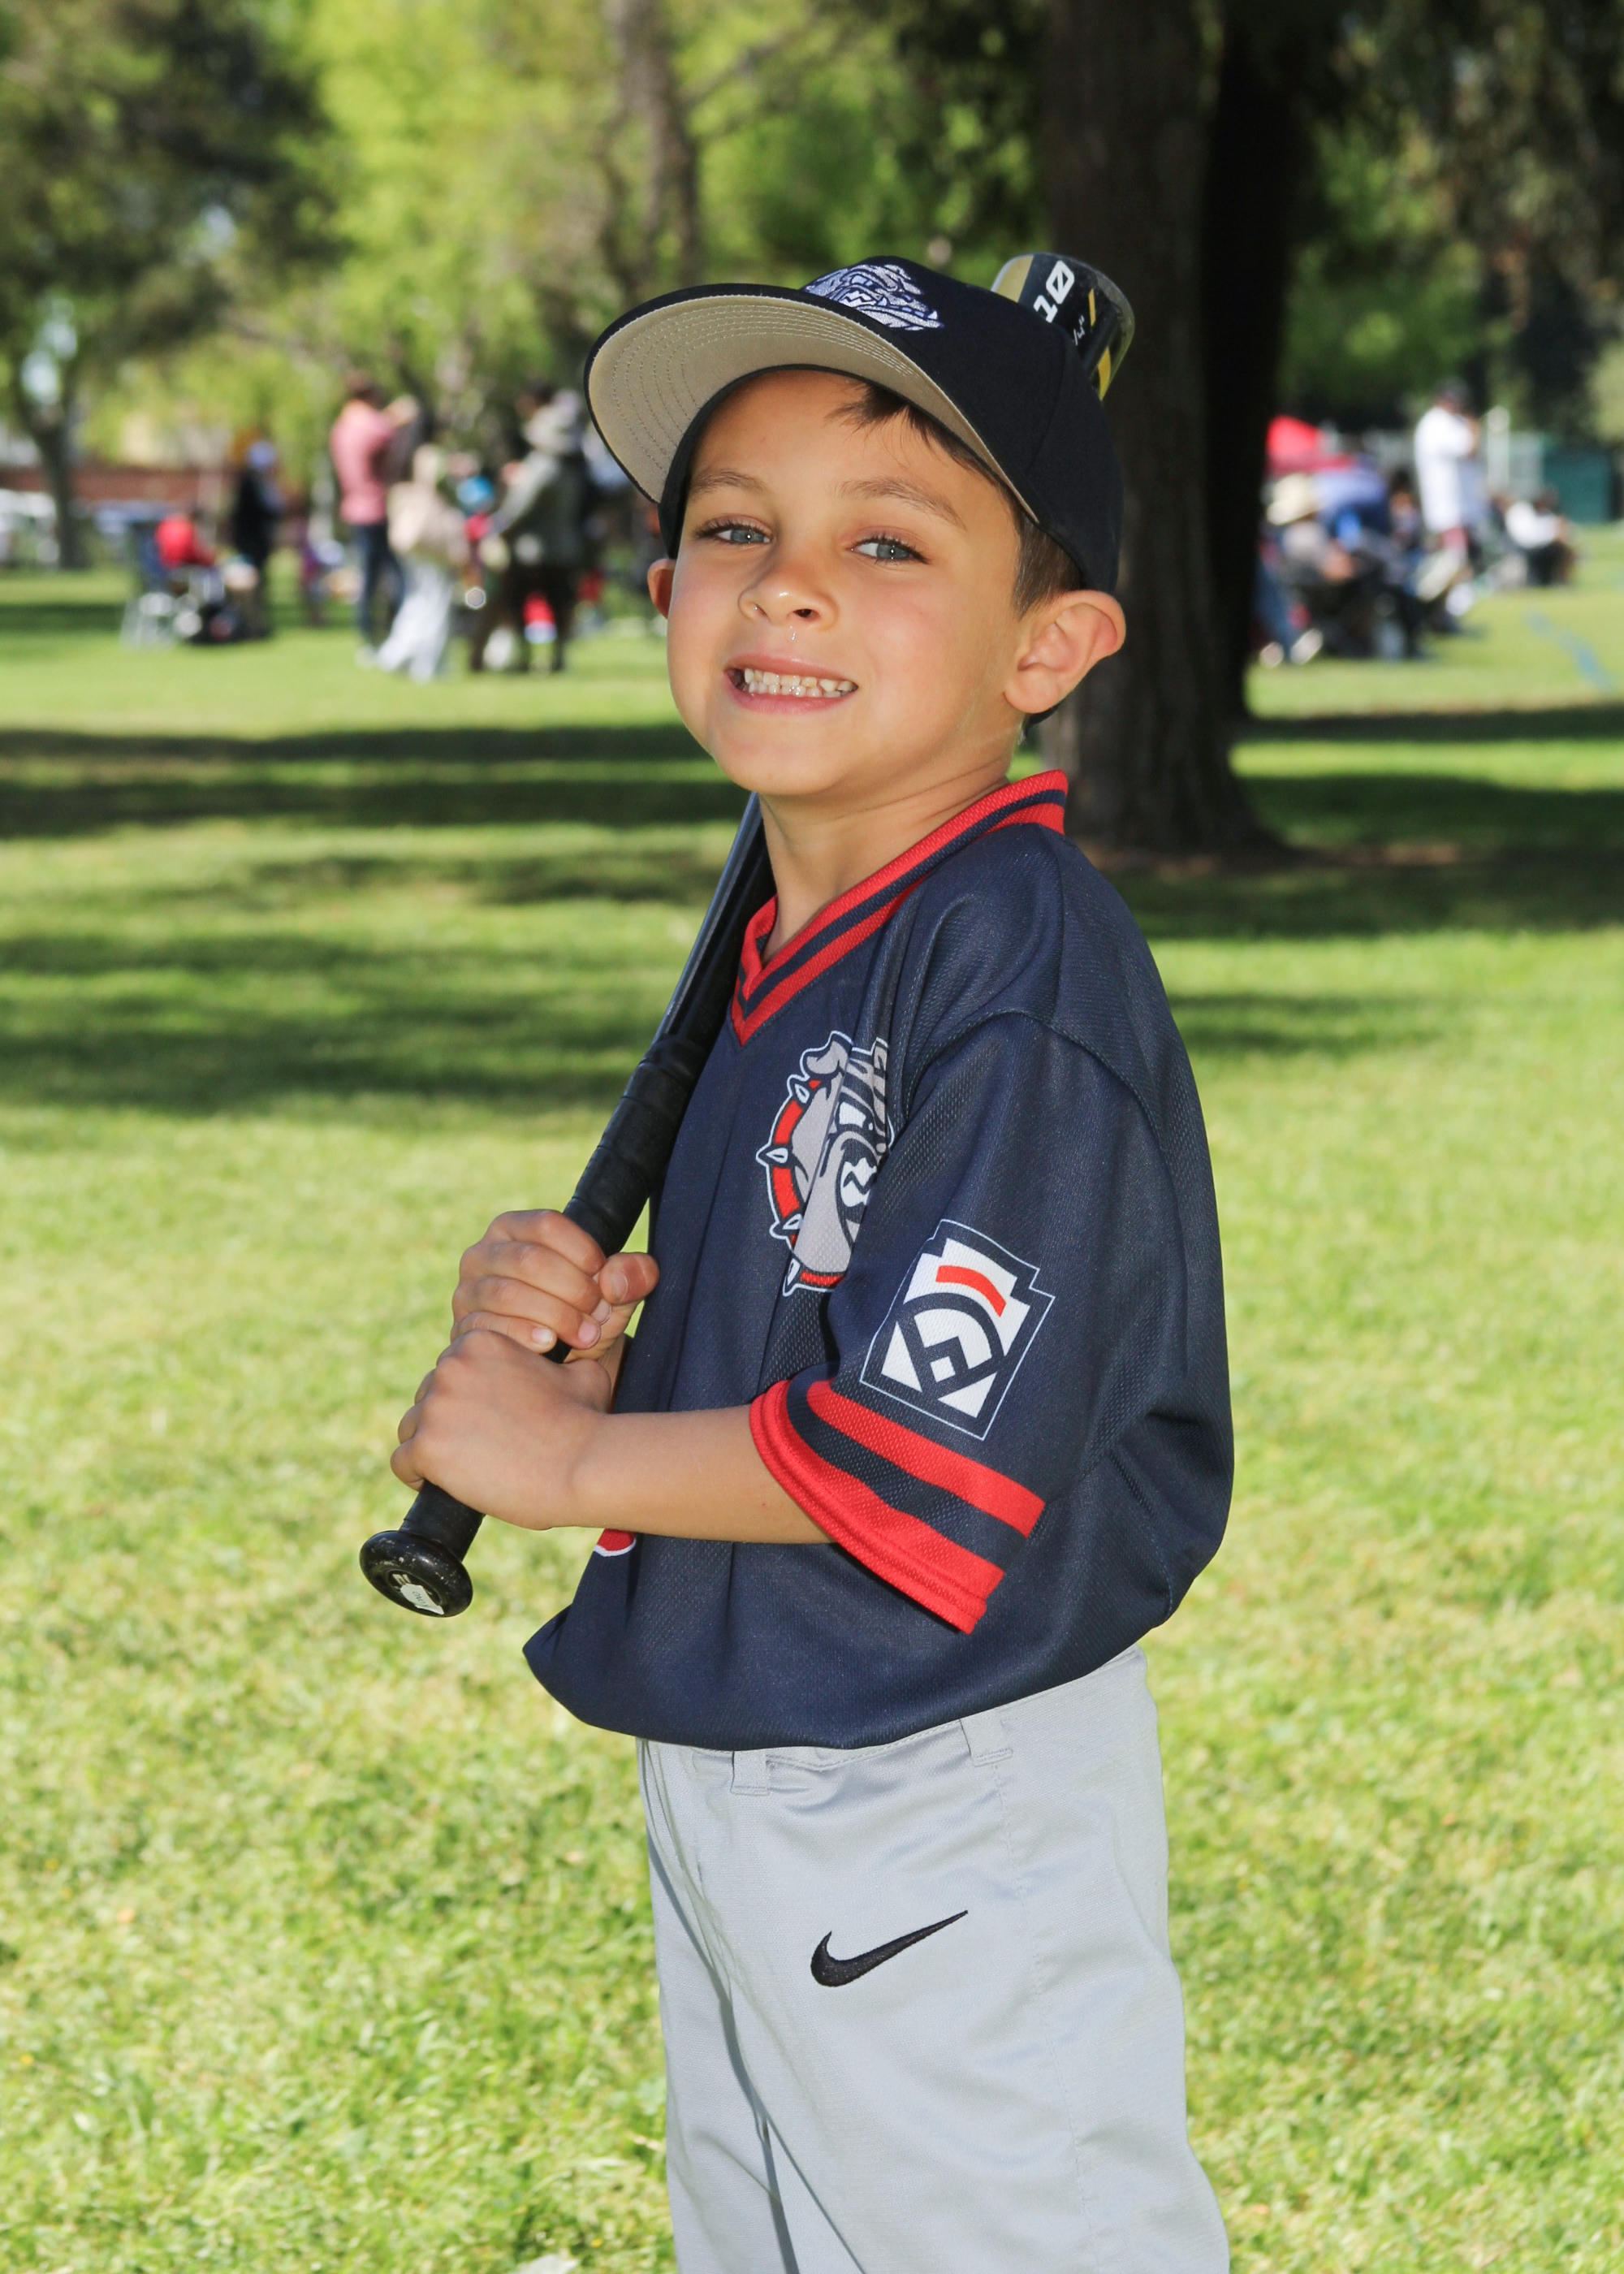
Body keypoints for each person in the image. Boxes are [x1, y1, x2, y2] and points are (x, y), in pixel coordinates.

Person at [391, 257, 1232, 2272]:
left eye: (886, 544)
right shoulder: (820, 941)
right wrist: (625, 1368)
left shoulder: (1015, 965)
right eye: (731, 531)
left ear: (1050, 646)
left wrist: (561, 1465)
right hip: (766, 1742)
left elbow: (919, 1451)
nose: (784, 588)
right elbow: (818, 1314)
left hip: (932, 1776)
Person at [469, 387, 590, 673]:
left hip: (532, 551)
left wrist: (497, 528)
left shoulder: (541, 467)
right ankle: (557, 658)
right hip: (565, 549)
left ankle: (525, 658)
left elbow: (519, 509)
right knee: (559, 605)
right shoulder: (574, 471)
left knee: (520, 603)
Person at [329, 374, 410, 655]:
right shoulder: (368, 423)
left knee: (369, 578)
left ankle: (369, 638)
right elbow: (385, 435)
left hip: (355, 509)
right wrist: (397, 418)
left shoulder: (342, 425)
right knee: (395, 576)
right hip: (375, 508)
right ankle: (395, 633)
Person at [1413, 381, 1484, 552]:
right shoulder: (1437, 422)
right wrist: (1473, 425)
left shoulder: (1447, 421)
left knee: (1455, 531)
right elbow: (1469, 449)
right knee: (1452, 534)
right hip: (1447, 493)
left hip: (1455, 494)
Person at [1504, 486, 1576, 586]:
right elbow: (1528, 537)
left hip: (1539, 547)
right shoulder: (1520, 511)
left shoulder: (1545, 513)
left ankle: (1560, 580)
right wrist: (1553, 536)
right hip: (1523, 548)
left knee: (1564, 549)